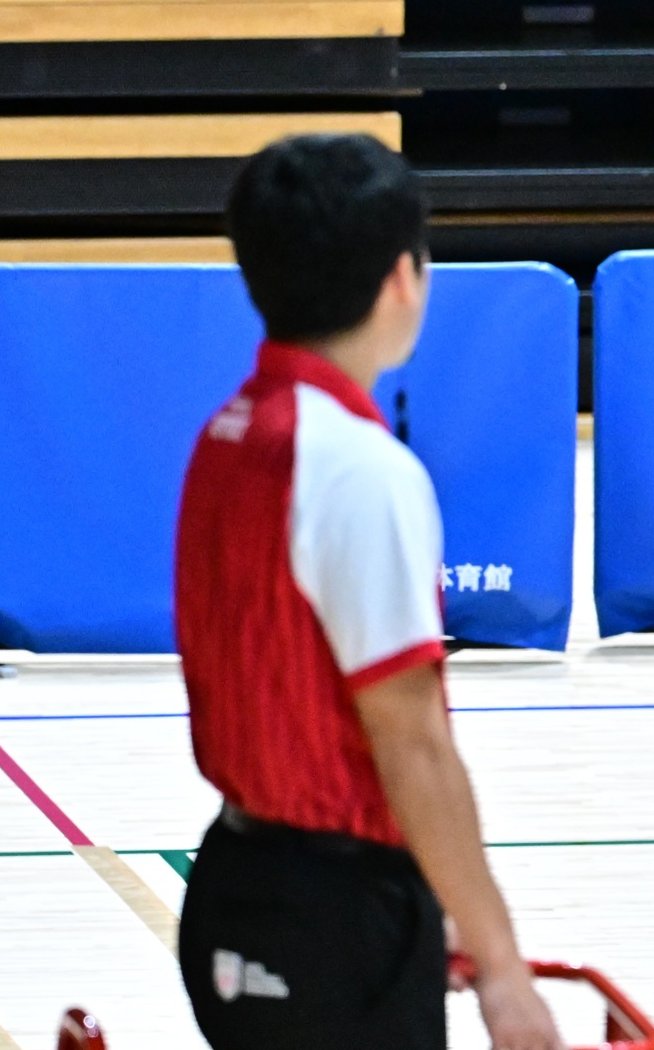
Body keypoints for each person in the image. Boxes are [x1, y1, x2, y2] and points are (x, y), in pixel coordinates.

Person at [173, 133, 562, 1050]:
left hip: (233, 882)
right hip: (336, 921)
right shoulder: (358, 469)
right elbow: (411, 740)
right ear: (401, 279)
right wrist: (502, 967)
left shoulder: (227, 433)